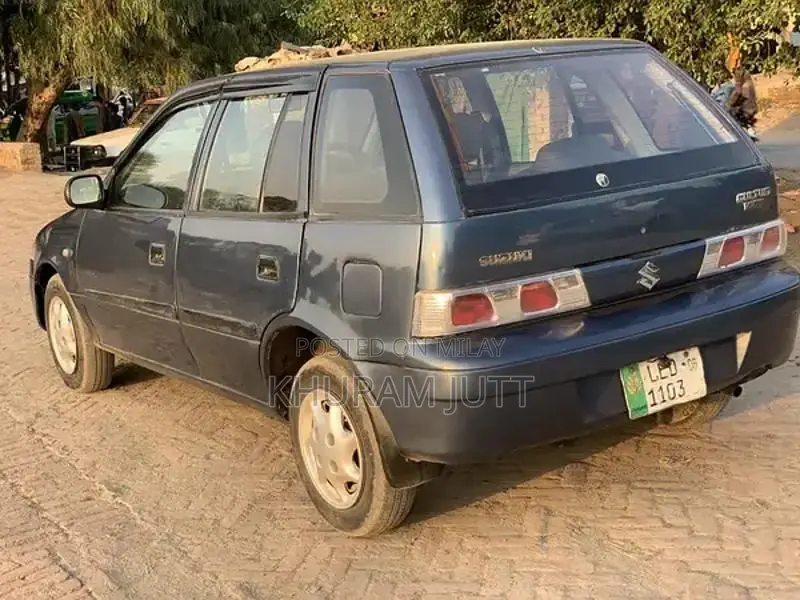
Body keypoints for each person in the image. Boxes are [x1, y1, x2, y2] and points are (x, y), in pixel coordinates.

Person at [725, 68, 758, 137]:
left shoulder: (743, 86)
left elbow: (736, 94)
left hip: (744, 111)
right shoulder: (750, 84)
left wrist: (727, 105)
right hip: (752, 110)